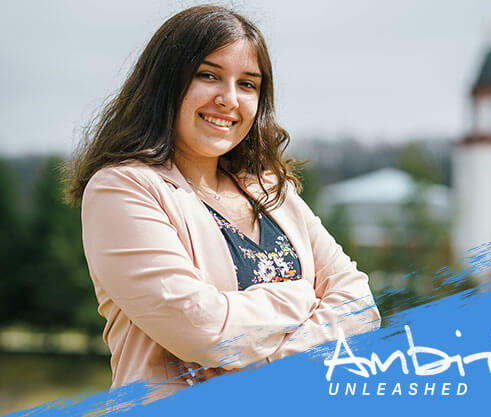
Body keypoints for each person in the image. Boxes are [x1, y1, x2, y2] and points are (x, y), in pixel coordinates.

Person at [65, 5, 380, 392]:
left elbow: (360, 306)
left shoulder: (270, 189)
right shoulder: (122, 189)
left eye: (248, 84)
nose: (229, 99)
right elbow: (205, 330)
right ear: (166, 84)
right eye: (208, 75)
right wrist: (303, 298)